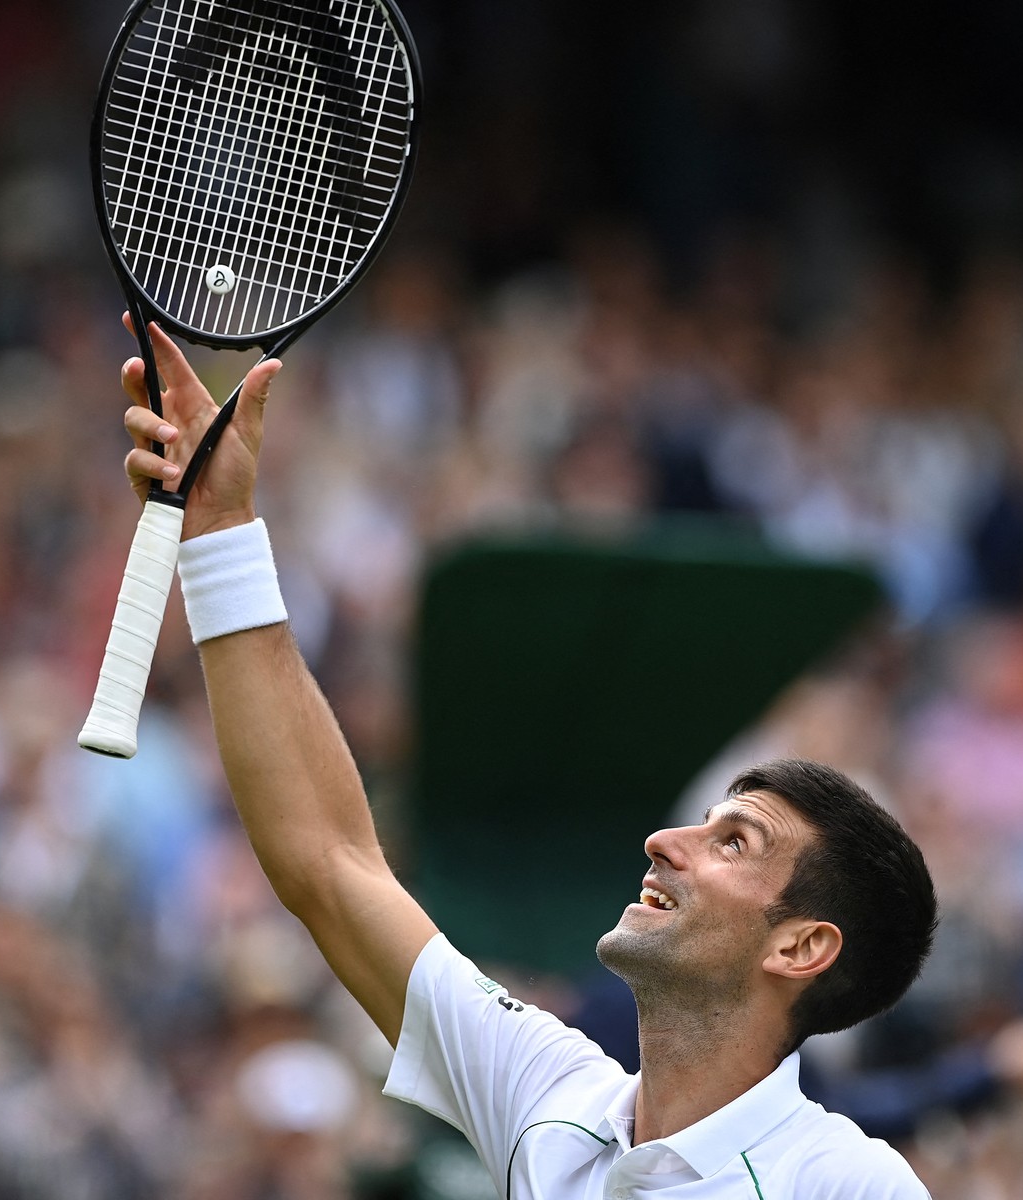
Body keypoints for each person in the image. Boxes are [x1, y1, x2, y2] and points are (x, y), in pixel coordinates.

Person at [113, 319, 941, 1198]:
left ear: (802, 945)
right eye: (704, 821)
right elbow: (329, 861)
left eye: (735, 842)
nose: (665, 840)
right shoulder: (554, 1098)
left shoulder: (850, 1182)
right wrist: (221, 530)